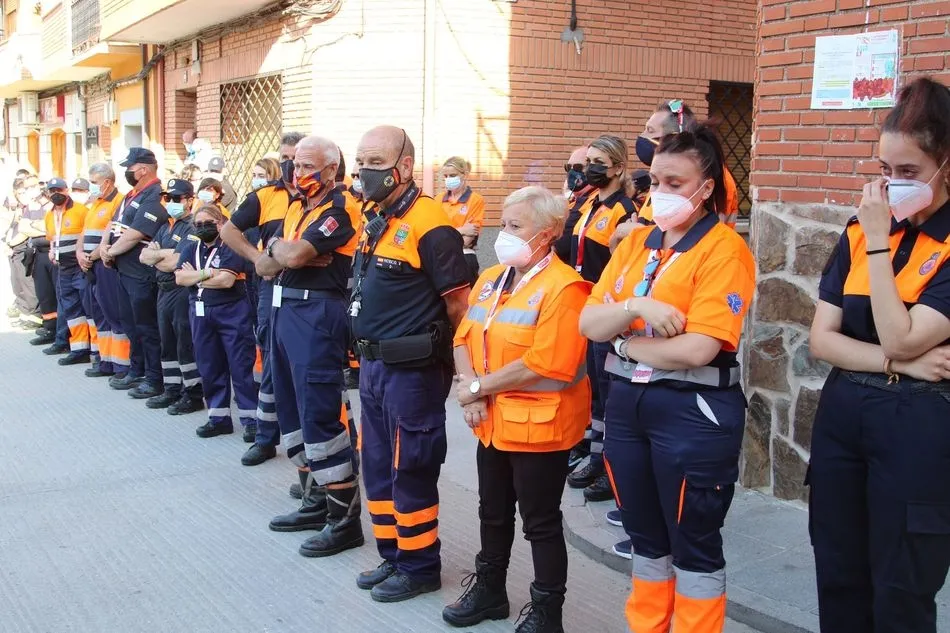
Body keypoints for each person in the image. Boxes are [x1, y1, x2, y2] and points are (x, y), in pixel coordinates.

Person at [578, 123, 755, 633]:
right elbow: (589, 321)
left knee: (692, 544)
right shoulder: (636, 244)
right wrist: (638, 305)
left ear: (706, 188)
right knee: (646, 539)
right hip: (630, 408)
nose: (660, 193)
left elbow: (699, 346)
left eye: (675, 183)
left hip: (692, 413)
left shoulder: (723, 250)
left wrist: (626, 339)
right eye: (655, 180)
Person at [808, 77, 950, 633]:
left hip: (917, 427)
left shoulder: (880, 236)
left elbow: (900, 334)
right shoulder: (860, 229)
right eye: (885, 171)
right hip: (845, 418)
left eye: (908, 173)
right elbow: (823, 340)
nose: (891, 186)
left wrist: (876, 245)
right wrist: (898, 363)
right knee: (839, 574)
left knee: (901, 587)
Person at [445, 185, 591, 632]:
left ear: (546, 234)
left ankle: (548, 614)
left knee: (540, 521)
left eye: (513, 226)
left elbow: (549, 363)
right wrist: (473, 391)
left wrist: (475, 387)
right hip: (493, 421)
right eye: (503, 223)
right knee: (492, 510)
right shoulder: (492, 276)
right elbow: (463, 336)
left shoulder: (565, 288)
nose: (503, 234)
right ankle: (490, 591)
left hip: (539, 426)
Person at [350, 126, 470, 602]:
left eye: (375, 161)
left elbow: (458, 304)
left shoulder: (431, 221)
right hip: (375, 368)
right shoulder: (375, 216)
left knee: (411, 466)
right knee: (377, 464)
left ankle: (420, 565)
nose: (364, 171)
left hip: (413, 372)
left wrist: (464, 369)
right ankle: (393, 555)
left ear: (403, 166)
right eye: (360, 160)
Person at [256, 136, 362, 558]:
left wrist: (288, 254)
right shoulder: (300, 208)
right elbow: (268, 265)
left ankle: (344, 519)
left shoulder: (340, 209)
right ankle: (315, 498)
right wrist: (281, 251)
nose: (296, 174)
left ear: (332, 170)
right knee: (292, 412)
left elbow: (295, 256)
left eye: (306, 166)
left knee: (321, 415)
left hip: (317, 315)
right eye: (294, 165)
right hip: (286, 313)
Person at [220, 131, 305, 467]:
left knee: (307, 365)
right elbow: (229, 230)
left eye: (297, 159)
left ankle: (310, 443)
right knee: (271, 359)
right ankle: (266, 437)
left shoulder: (329, 199)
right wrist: (257, 260)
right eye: (285, 158)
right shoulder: (267, 196)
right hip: (273, 287)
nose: (291, 165)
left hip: (314, 290)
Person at [567, 135, 637, 505]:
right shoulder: (590, 204)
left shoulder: (624, 210)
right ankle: (595, 454)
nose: (589, 168)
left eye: (598, 161)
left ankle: (609, 464)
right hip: (584, 307)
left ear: (618, 168)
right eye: (587, 160)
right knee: (593, 387)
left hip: (607, 309)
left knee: (608, 389)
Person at [175, 204, 258, 438]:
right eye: (198, 224)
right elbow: (180, 278)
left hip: (231, 313)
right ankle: (218, 418)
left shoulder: (231, 247)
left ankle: (251, 421)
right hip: (201, 313)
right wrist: (208, 273)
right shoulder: (190, 248)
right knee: (209, 367)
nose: (202, 228)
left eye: (207, 223)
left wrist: (196, 278)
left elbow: (226, 281)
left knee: (240, 368)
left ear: (220, 224)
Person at [101, 148, 169, 398]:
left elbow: (137, 233)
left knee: (147, 326)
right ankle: (137, 369)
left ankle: (155, 378)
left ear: (144, 169)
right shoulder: (131, 194)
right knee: (130, 323)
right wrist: (104, 247)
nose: (126, 172)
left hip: (141, 273)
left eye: (130, 168)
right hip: (124, 270)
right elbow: (113, 223)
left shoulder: (155, 196)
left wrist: (111, 252)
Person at [138, 179, 204, 414]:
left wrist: (161, 256)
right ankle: (172, 390)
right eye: (169, 199)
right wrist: (162, 256)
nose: (172, 203)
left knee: (183, 343)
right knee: (167, 343)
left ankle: (193, 393)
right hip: (162, 289)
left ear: (189, 200)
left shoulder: (191, 225)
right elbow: (144, 256)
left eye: (177, 199)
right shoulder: (166, 225)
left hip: (180, 290)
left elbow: (177, 261)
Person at [634, 100, 741, 229]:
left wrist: (638, 233)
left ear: (673, 137)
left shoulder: (712, 175)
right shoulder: (662, 176)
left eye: (650, 131)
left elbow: (703, 233)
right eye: (655, 183)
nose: (642, 136)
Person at [77, 163, 128, 378]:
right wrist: (80, 252)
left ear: (107, 182)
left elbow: (112, 237)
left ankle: (121, 365)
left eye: (94, 182)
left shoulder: (119, 202)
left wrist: (92, 256)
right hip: (90, 266)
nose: (92, 187)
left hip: (106, 266)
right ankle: (104, 360)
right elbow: (84, 232)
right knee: (98, 315)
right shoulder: (95, 203)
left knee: (113, 315)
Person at [45, 178, 92, 365]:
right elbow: (52, 237)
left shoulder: (81, 211)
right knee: (71, 309)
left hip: (79, 267)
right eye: (52, 190)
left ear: (67, 190)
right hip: (62, 268)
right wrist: (51, 250)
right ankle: (79, 349)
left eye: (60, 189)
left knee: (88, 307)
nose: (56, 193)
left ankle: (95, 350)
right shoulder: (49, 215)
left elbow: (88, 235)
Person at [5, 176, 44, 332]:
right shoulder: (25, 207)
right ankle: (25, 314)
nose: (24, 194)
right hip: (16, 247)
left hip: (25, 248)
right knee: (17, 283)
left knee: (28, 283)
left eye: (26, 190)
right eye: (21, 192)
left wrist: (10, 244)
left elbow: (26, 230)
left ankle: (34, 316)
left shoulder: (39, 205)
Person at [440, 156, 485, 283]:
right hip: (441, 260)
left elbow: (467, 241)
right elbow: (433, 237)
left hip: (464, 258)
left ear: (464, 175)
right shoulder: (438, 200)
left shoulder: (475, 200)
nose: (448, 179)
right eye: (446, 176)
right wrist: (462, 229)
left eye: (452, 175)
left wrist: (444, 235)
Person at [553, 146, 595, 264]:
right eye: (568, 167)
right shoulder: (572, 201)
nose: (571, 172)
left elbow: (560, 245)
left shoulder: (591, 202)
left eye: (577, 167)